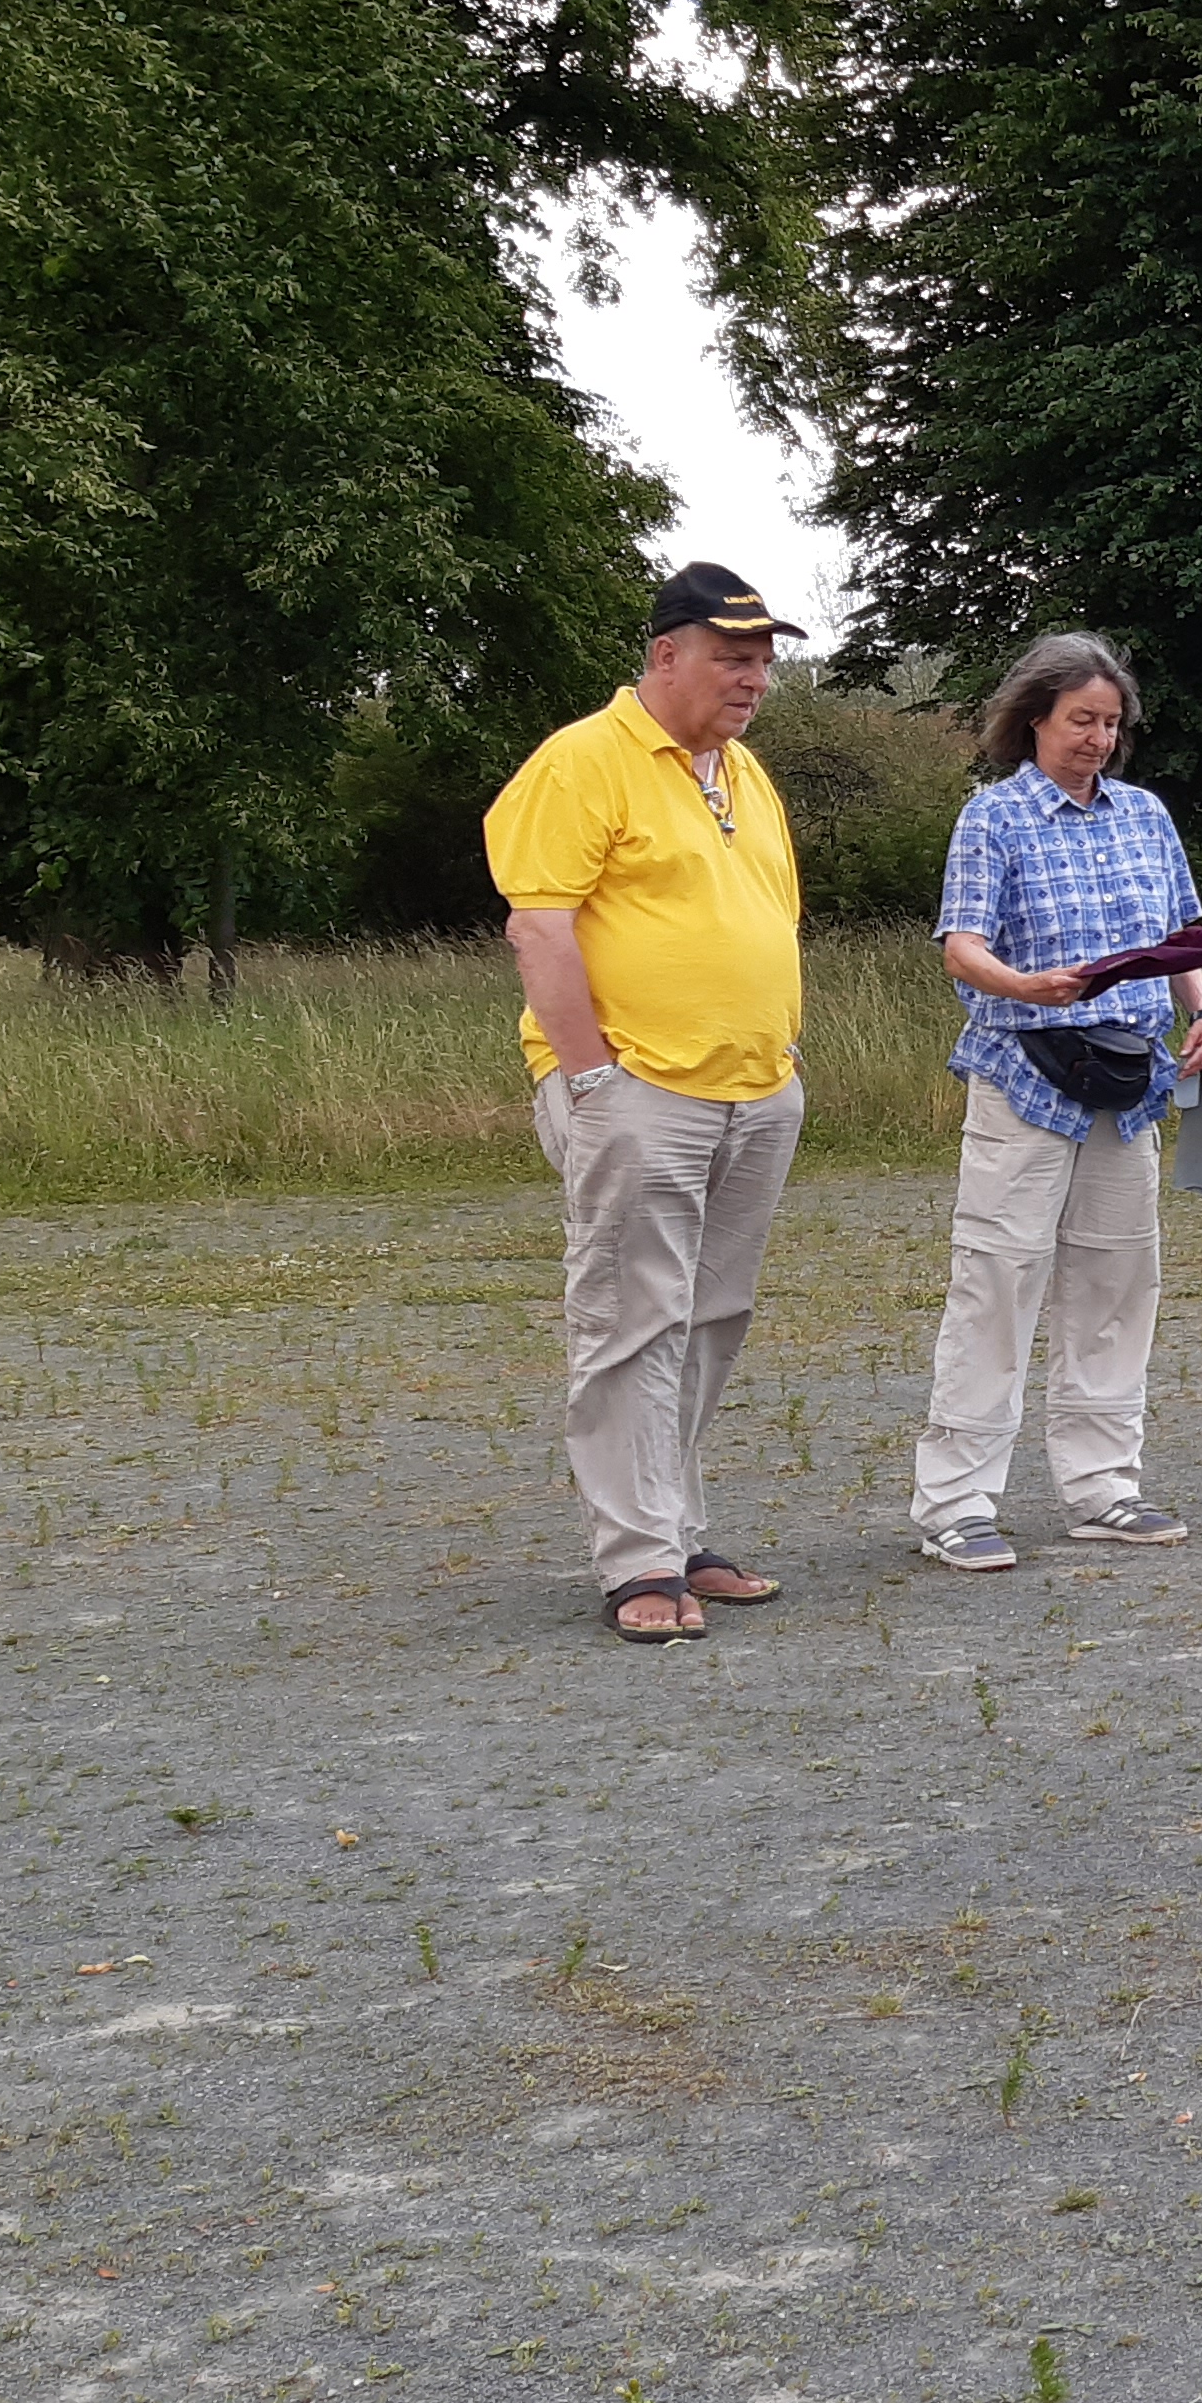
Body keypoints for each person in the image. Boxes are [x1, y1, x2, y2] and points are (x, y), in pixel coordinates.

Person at [484, 564, 811, 1645]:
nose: (753, 678)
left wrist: (780, 1052)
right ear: (666, 654)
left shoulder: (743, 773)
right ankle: (639, 1563)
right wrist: (592, 1082)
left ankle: (677, 1530)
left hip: (754, 1087)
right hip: (637, 1088)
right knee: (632, 1321)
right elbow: (540, 929)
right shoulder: (583, 761)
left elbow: (766, 918)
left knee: (710, 1319)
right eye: (732, 658)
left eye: (763, 661)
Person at [910, 633, 1202, 1571]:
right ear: (1036, 719)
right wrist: (1022, 985)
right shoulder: (993, 817)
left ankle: (1103, 1487)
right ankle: (956, 1504)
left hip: (1130, 1080)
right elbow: (961, 944)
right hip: (1024, 1073)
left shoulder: (1145, 816)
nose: (1097, 738)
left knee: (1118, 1280)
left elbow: (1182, 933)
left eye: (1111, 723)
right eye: (1081, 720)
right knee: (998, 1281)